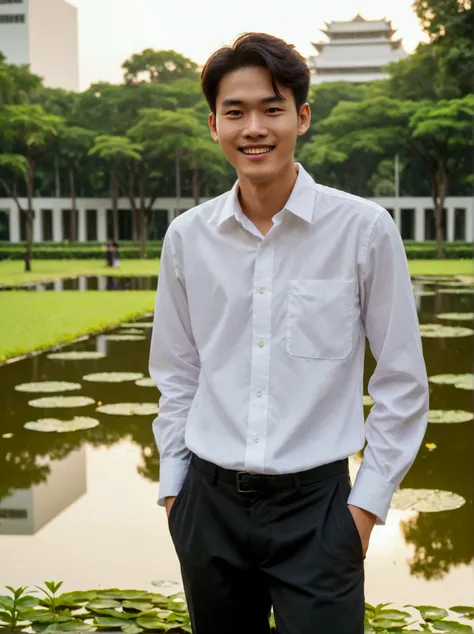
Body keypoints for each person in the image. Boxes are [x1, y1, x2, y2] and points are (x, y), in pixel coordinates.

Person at [149, 33, 429, 634]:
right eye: (236, 112)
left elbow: (403, 381)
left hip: (320, 512)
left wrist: (363, 509)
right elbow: (177, 374)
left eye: (272, 109)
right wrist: (177, 496)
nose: (255, 127)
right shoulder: (188, 239)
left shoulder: (363, 230)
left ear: (301, 117)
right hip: (209, 506)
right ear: (213, 125)